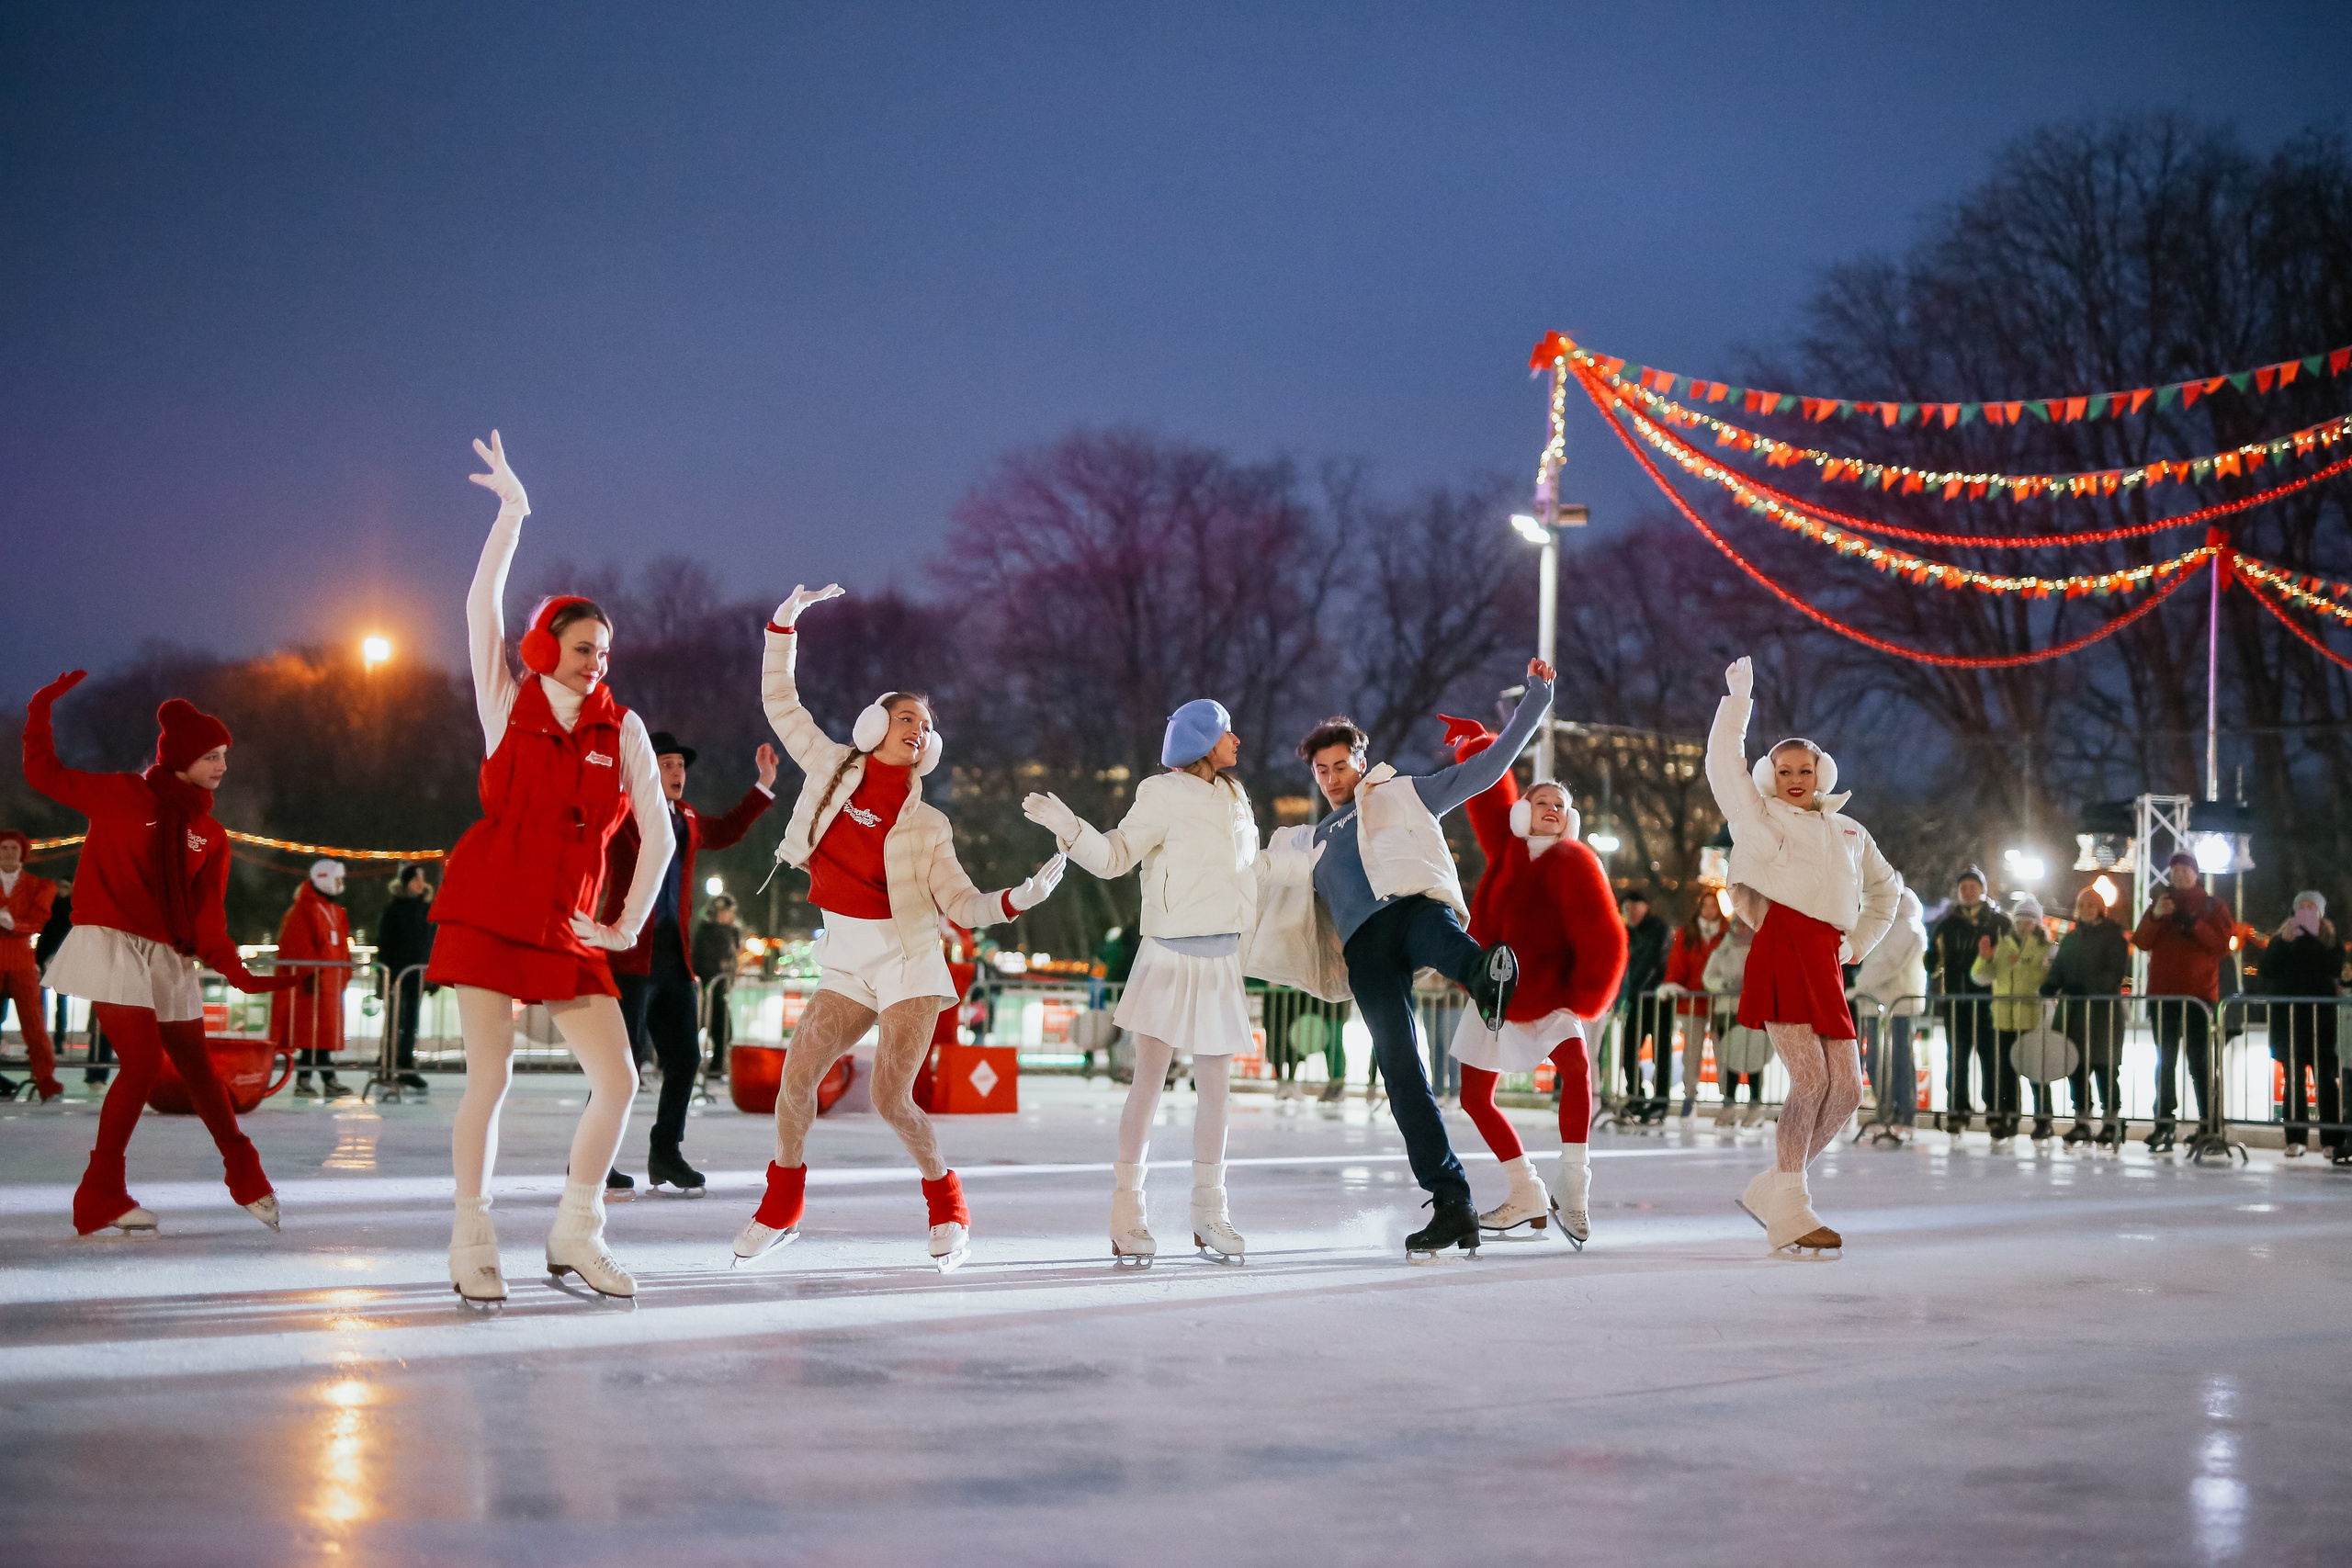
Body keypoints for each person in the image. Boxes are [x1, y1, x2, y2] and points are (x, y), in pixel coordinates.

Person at [732, 582, 1065, 1273]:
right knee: (795, 1082)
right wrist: (783, 625)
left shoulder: (928, 824)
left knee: (890, 1095)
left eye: (924, 724)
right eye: (906, 717)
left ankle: (949, 1207)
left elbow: (962, 902)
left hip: (908, 961)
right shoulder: (829, 769)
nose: (917, 728)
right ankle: (782, 1206)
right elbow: (779, 704)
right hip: (846, 958)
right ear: (871, 726)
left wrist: (1016, 899)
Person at [427, 432, 677, 1307]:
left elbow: (661, 835)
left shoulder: (627, 729)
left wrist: (622, 924)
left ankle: (577, 1229)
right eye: (582, 649)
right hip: (491, 904)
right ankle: (472, 1234)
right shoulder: (507, 704)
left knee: (619, 1077)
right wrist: (513, 515)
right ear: (545, 648)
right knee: (488, 1076)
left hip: (568, 925)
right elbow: (477, 604)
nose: (596, 663)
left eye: (604, 652)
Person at [23, 672, 302, 1236]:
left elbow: (208, 916)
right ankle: (100, 1191)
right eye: (210, 755)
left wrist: (236, 971)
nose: (222, 765)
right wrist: (40, 709)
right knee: (145, 1063)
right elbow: (42, 773)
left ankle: (245, 1174)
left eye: (224, 754)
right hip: (111, 941)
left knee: (197, 1067)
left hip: (167, 954)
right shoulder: (121, 793)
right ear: (178, 758)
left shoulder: (211, 835)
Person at [1292, 660, 1551, 1258]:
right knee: (1402, 1073)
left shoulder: (1406, 790)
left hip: (1413, 908)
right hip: (1365, 951)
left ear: (1362, 761)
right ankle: (1452, 1202)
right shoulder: (1315, 842)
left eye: (1341, 766)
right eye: (1321, 770)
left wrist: (1537, 697)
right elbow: (1274, 900)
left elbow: (1488, 769)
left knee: (1438, 934)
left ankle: (1488, 978)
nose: (1332, 778)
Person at [1024, 697, 1262, 1263]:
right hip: (1168, 956)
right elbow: (1114, 857)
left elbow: (1247, 874)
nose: (1237, 742)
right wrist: (1070, 827)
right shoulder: (1161, 793)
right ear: (1205, 741)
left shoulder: (1235, 795)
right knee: (1148, 1084)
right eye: (1229, 733)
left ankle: (1211, 1212)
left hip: (1221, 957)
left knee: (1217, 1097)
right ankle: (1127, 1213)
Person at [1706, 657, 1901, 1258]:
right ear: (1771, 773)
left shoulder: (1850, 831)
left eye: (1805, 768)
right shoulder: (1757, 815)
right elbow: (1721, 761)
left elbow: (1888, 890)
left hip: (1824, 958)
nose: (1795, 777)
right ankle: (1791, 1205)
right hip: (1781, 947)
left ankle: (1777, 1185)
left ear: (1822, 773)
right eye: (1785, 768)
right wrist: (1739, 698)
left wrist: (1856, 943)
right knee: (1811, 1079)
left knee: (1847, 1088)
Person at [1442, 717, 1626, 1247]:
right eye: (1540, 800)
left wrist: (1584, 996)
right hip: (1496, 991)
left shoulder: (1575, 860)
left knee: (1576, 1069)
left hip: (1550, 993)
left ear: (1568, 820)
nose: (1550, 808)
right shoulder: (1505, 853)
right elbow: (1487, 793)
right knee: (1475, 1097)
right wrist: (1476, 742)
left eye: (1559, 805)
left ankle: (1575, 1192)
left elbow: (1602, 935)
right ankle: (1525, 1189)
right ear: (1522, 811)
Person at [597, 731, 775, 1194]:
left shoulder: (689, 817)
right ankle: (596, 1158)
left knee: (685, 1057)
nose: (678, 773)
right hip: (628, 957)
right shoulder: (623, 812)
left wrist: (763, 786)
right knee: (622, 1065)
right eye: (668, 764)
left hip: (673, 960)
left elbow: (727, 829)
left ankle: (665, 1153)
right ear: (646, 771)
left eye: (681, 766)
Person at [2132, 851, 2233, 1151]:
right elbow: (2141, 941)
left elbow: (2220, 946)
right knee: (2165, 1061)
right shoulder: (2161, 904)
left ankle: (2209, 1123)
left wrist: (2194, 924)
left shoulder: (2214, 905)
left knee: (2200, 1061)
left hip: (2199, 996)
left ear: (2196, 873)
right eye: (2175, 871)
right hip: (2164, 994)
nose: (2180, 875)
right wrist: (2155, 916)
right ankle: (2164, 1121)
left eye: (2185, 870)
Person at [2042, 886, 2131, 1149]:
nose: (2088, 909)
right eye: (2084, 904)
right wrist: (2051, 985)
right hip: (2077, 1014)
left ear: (2101, 908)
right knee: (2077, 1068)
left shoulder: (2114, 937)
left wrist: (2085, 987)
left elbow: (2113, 973)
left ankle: (2112, 1121)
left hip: (2103, 1014)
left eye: (2093, 904)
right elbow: (2060, 969)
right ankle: (2082, 1121)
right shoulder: (2072, 938)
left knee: (2105, 1068)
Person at [1929, 866, 2011, 1144]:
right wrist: (1931, 961)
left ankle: (1996, 1113)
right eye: (1963, 887)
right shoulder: (1948, 924)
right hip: (1957, 1002)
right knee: (1957, 1059)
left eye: (1972, 886)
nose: (1967, 891)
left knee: (1992, 1059)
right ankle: (1958, 1111)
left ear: (1982, 889)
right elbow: (1934, 960)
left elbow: (2009, 956)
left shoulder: (1998, 922)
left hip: (1989, 1002)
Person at [2259, 891, 2340, 1159]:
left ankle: (2332, 1139)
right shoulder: (2281, 938)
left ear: (2320, 912)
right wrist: (2284, 942)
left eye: (2311, 907)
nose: (2306, 911)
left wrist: (2311, 940)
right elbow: (2267, 970)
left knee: (2326, 1080)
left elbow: (2334, 967)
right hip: (2289, 1021)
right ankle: (2295, 1138)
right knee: (2293, 1081)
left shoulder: (2329, 939)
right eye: (2301, 907)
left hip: (2321, 1021)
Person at [1974, 894, 2054, 1149]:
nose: (2024, 925)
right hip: (2004, 1020)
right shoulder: (2004, 945)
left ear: (2038, 922)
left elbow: (2053, 982)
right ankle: (2010, 1117)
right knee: (2006, 1074)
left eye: (2029, 920)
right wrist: (1985, 957)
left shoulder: (2046, 948)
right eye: (2020, 919)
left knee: (2036, 1073)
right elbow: (1980, 977)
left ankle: (2044, 1120)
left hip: (2032, 1020)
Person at [1850, 886, 1928, 1139]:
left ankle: (1904, 1113)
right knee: (1875, 1060)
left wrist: (1858, 986)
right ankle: (1886, 1110)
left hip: (1898, 1006)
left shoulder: (1907, 926)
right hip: (1876, 1005)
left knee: (1898, 1060)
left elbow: (1889, 964)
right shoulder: (1880, 924)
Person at [272, 859, 355, 1100]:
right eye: (337, 879)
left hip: (329, 984)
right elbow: (296, 945)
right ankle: (317, 1081)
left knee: (321, 1035)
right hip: (314, 984)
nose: (341, 884)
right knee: (313, 1035)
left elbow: (341, 949)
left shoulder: (333, 911)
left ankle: (312, 1081)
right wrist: (310, 975)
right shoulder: (303, 910)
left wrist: (343, 974)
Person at [0, 829, 63, 1103]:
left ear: (23, 853)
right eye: (4, 848)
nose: (9, 853)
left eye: (14, 848)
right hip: (16, 956)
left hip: (21, 960)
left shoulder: (40, 886)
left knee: (34, 1024)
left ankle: (45, 1077)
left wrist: (14, 925)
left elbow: (39, 920)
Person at [1657, 893, 1728, 1122]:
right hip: (1692, 1002)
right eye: (1705, 906)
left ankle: (1727, 1097)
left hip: (1720, 1003)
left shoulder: (1728, 933)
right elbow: (1677, 962)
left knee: (1723, 1052)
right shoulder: (1687, 933)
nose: (1708, 910)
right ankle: (1690, 1097)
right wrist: (1673, 983)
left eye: (1712, 906)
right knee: (1691, 1054)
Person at [1613, 889, 1674, 1122]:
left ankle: (1660, 1100)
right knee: (1629, 1049)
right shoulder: (1627, 932)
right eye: (1627, 909)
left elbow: (1654, 962)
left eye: (1634, 908)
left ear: (1644, 907)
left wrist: (1637, 989)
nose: (1630, 913)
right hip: (1637, 998)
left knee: (1661, 1052)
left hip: (1657, 999)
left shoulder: (1658, 929)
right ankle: (1636, 1096)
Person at [376, 864, 436, 1093]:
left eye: (422, 877)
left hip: (416, 976)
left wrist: (432, 976)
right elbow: (385, 945)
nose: (421, 882)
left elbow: (431, 945)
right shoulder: (394, 911)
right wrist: (384, 978)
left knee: (411, 1024)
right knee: (394, 1022)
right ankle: (388, 1063)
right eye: (416, 878)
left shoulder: (427, 911)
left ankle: (406, 1066)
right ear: (406, 883)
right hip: (398, 977)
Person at [1703, 916, 1765, 1128]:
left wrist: (1751, 985)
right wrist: (1727, 983)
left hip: (1753, 1010)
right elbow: (1708, 977)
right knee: (1729, 1059)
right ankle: (1728, 1104)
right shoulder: (1723, 948)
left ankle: (1755, 1106)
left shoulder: (1761, 946)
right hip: (1727, 1011)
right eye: (1738, 924)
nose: (1742, 928)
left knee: (1755, 1058)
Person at [691, 894, 743, 1077]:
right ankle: (711, 1064)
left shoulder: (725, 931)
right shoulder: (711, 932)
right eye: (730, 912)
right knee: (715, 1026)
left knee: (719, 1027)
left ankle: (717, 1063)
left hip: (716, 988)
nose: (732, 916)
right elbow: (709, 960)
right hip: (710, 988)